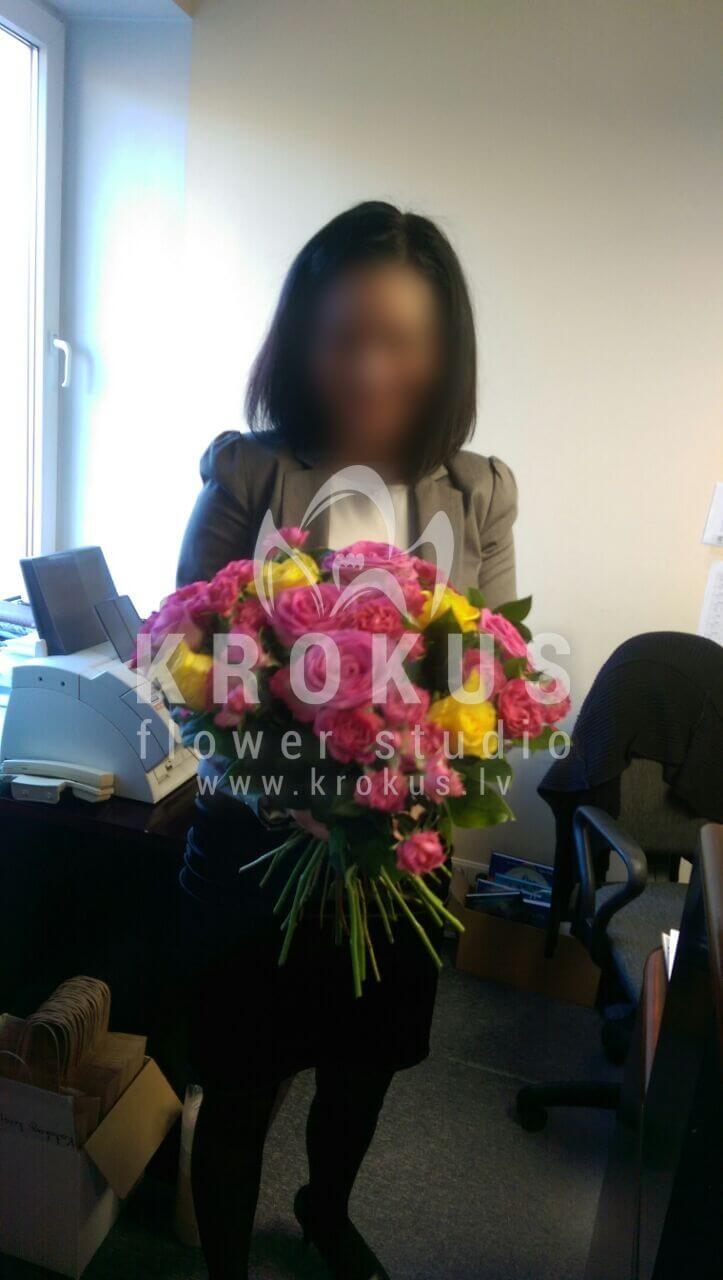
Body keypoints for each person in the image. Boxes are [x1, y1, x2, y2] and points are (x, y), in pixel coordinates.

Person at [176, 201, 518, 1280]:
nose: (372, 368)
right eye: (345, 336)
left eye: (401, 340)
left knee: (360, 1070)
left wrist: (408, 765)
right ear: (302, 340)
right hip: (256, 845)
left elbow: (490, 671)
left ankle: (324, 1211)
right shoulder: (248, 473)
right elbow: (189, 658)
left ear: (444, 350)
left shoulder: (479, 491)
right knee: (241, 1083)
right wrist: (291, 776)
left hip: (396, 857)